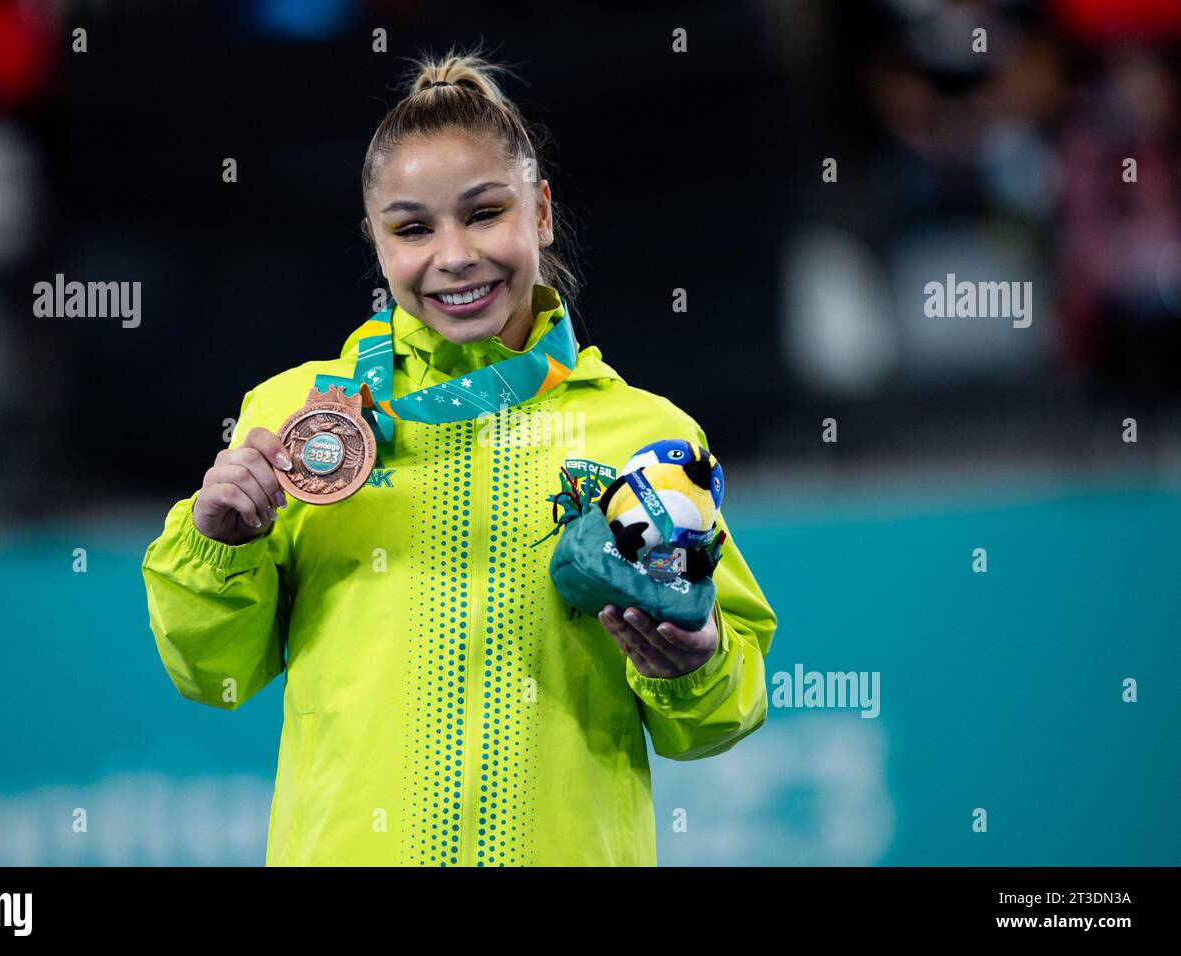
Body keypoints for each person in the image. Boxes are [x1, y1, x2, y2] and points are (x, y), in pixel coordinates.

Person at [141, 47, 777, 866]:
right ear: (375, 241)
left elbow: (717, 720)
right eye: (412, 228)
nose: (453, 256)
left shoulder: (646, 439)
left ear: (541, 213)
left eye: (483, 213)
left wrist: (699, 657)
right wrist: (218, 544)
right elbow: (210, 674)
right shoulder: (296, 420)